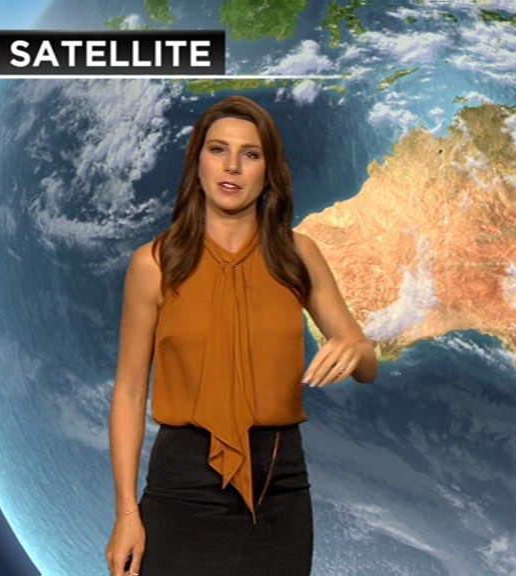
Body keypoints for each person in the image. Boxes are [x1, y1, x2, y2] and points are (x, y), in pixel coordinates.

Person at [105, 95, 378, 576]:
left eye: (250, 154)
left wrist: (356, 347)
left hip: (280, 490)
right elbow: (129, 393)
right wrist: (127, 515)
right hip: (181, 487)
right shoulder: (154, 264)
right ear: (198, 164)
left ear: (269, 172)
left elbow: (368, 368)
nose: (232, 166)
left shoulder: (298, 254)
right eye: (218, 150)